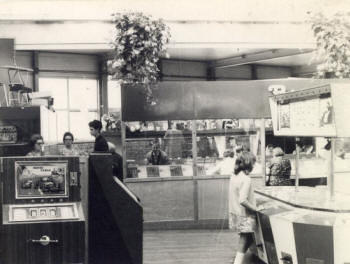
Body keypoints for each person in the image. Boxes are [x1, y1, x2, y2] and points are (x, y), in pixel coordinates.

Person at [231, 152, 263, 264]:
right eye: (253, 163)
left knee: (247, 238)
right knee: (245, 239)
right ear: (248, 164)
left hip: (236, 213)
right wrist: (255, 209)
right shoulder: (246, 179)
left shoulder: (234, 176)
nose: (254, 166)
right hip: (246, 215)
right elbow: (242, 200)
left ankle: (241, 260)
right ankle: (238, 262)